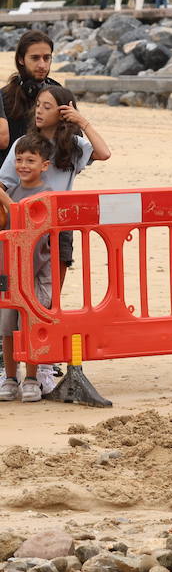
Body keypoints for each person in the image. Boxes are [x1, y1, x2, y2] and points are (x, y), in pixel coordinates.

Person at [0, 86, 112, 393]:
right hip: (20, 233)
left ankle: (42, 370)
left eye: (47, 106)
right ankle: (12, 375)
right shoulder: (25, 145)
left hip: (57, 231)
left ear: (62, 112)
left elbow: (103, 153)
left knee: (47, 302)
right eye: (38, 105)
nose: (38, 111)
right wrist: (18, 212)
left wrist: (82, 121)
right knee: (11, 304)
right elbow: (3, 182)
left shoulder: (72, 146)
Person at [0, 136, 55, 402]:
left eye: (30, 160)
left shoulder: (47, 195)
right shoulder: (10, 191)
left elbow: (21, 216)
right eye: (19, 159)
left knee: (33, 325)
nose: (22, 165)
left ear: (44, 165)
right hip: (8, 273)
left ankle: (33, 378)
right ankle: (11, 378)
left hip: (37, 272)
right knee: (7, 328)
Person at [2, 29, 61, 153]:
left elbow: (75, 137)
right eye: (35, 58)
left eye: (47, 58)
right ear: (21, 59)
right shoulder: (3, 97)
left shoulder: (59, 92)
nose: (42, 65)